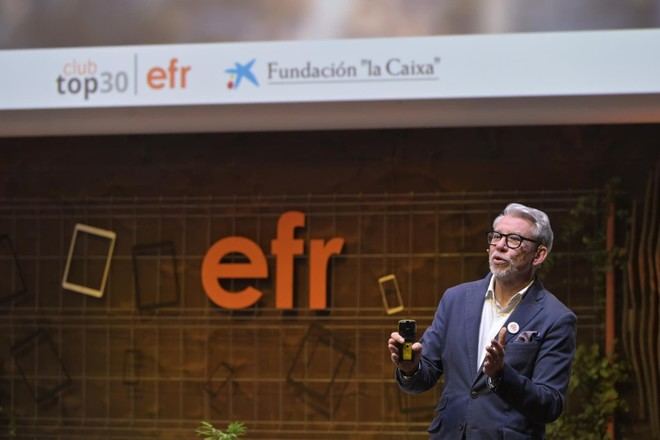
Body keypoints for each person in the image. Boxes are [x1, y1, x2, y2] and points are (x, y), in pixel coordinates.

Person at [387, 203, 576, 439]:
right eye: (496, 236)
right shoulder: (455, 299)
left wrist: (501, 375)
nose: (500, 245)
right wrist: (410, 368)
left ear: (538, 255)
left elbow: (550, 405)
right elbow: (422, 379)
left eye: (514, 239)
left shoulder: (555, 317)